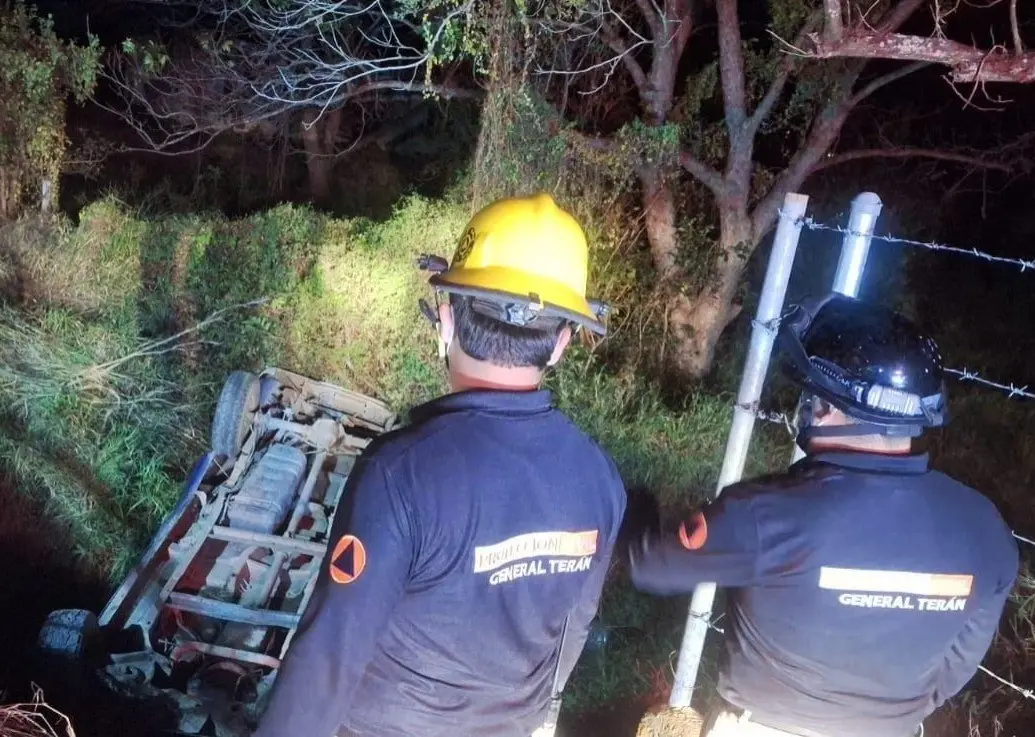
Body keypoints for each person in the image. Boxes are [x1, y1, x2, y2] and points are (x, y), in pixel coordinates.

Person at [252, 192, 627, 737]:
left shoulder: (400, 473)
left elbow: (330, 657)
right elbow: (573, 627)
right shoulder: (601, 479)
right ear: (562, 344)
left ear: (446, 320)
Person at [626, 292, 1019, 737]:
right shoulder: (986, 528)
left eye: (810, 395)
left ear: (829, 407)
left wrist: (638, 505)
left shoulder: (767, 513)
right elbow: (956, 667)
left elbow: (652, 566)